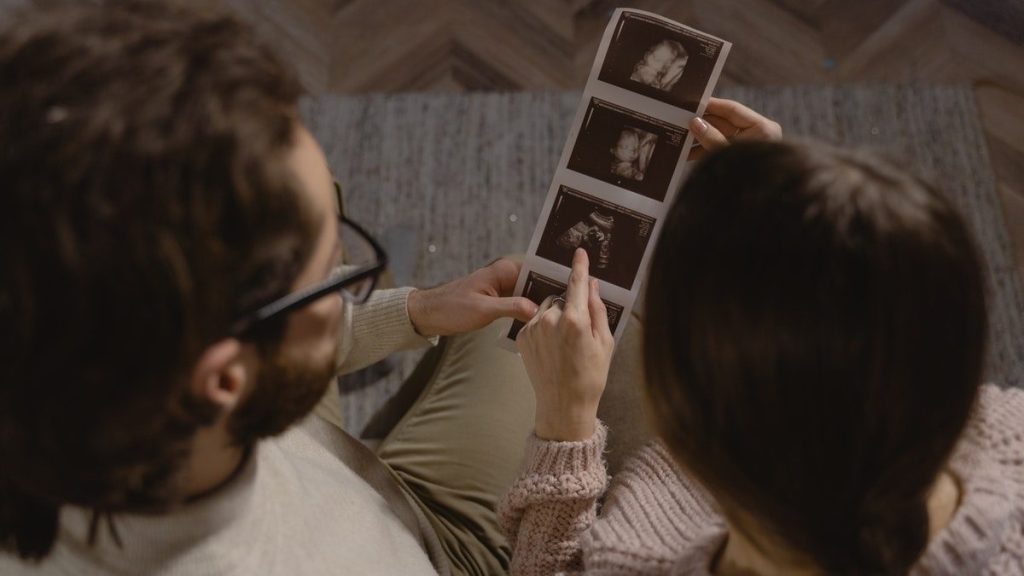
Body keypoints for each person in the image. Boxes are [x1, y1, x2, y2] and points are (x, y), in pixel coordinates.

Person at [0, 2, 550, 575]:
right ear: (225, 378)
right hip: (432, 548)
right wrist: (566, 431)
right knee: (537, 284)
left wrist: (417, 310)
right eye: (330, 277)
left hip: (310, 463)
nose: (346, 281)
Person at [502, 106, 1024, 574]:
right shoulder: (1010, 436)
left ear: (683, 403)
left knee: (508, 317)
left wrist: (565, 426)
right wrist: (800, 227)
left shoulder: (631, 559)